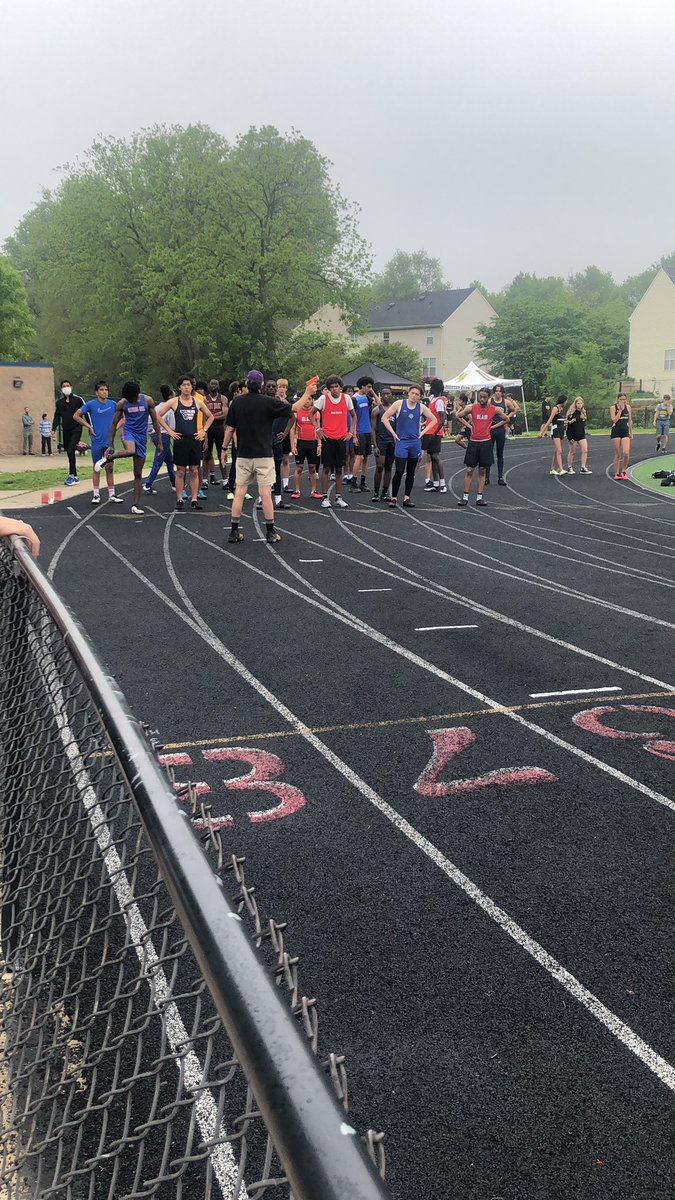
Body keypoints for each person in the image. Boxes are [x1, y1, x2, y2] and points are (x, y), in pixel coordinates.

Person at [223, 369, 306, 544]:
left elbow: (230, 429)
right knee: (266, 493)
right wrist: (308, 392)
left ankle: (234, 531)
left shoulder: (236, 403)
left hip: (244, 454)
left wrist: (224, 449)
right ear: (261, 385)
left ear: (246, 383)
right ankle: (270, 531)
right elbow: (295, 408)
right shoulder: (268, 402)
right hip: (264, 455)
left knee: (239, 491)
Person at [95, 382, 164, 515]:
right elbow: (114, 424)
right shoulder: (123, 403)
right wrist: (110, 445)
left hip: (141, 437)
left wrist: (159, 442)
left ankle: (135, 505)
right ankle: (109, 457)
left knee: (138, 475)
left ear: (138, 394)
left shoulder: (148, 400)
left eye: (132, 399)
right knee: (130, 450)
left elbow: (155, 421)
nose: (131, 401)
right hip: (128, 432)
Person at [155, 376, 214, 511]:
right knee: (181, 472)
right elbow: (158, 415)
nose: (186, 387)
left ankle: (194, 499)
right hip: (180, 440)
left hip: (194, 440)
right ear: (180, 387)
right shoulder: (174, 402)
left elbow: (210, 416)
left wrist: (203, 431)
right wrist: (169, 431)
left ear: (192, 387)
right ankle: (180, 498)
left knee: (194, 470)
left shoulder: (198, 402)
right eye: (184, 385)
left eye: (189, 385)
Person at [381, 385, 436, 508]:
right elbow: (384, 418)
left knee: (411, 472)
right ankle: (394, 497)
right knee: (399, 470)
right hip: (402, 442)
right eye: (412, 393)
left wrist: (422, 432)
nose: (414, 396)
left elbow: (434, 420)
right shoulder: (399, 404)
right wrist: (393, 433)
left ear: (420, 396)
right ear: (408, 393)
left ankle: (407, 497)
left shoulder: (421, 407)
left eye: (417, 394)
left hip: (415, 443)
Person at [455, 387, 510, 507]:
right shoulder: (473, 408)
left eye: (485, 397)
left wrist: (493, 427)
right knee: (469, 470)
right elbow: (459, 415)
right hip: (474, 442)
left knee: (482, 470)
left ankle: (479, 497)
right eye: (480, 397)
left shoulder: (493, 409)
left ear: (488, 397)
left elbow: (507, 419)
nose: (482, 399)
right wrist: (469, 426)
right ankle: (465, 496)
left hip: (486, 442)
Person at [74, 381, 125, 505]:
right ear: (97, 392)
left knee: (110, 467)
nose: (104, 392)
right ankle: (96, 495)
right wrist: (89, 426)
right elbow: (76, 415)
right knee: (96, 468)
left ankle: (112, 494)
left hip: (109, 441)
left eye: (106, 390)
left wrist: (116, 428)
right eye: (102, 390)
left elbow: (124, 417)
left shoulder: (113, 404)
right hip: (97, 440)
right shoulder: (91, 404)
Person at [313, 375, 356, 509]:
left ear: (340, 387)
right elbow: (311, 414)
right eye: (331, 387)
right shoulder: (323, 399)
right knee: (326, 468)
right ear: (328, 389)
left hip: (341, 438)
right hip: (328, 438)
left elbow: (354, 416)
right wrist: (318, 429)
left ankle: (338, 497)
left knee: (339, 468)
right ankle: (325, 497)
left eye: (336, 386)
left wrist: (351, 432)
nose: (334, 390)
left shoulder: (347, 398)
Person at [290, 383, 323, 498]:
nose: (307, 401)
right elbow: (292, 429)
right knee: (299, 468)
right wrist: (293, 445)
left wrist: (319, 444)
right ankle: (297, 491)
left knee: (312, 467)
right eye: (306, 399)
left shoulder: (316, 413)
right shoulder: (297, 412)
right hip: (301, 442)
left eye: (310, 399)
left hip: (312, 442)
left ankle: (313, 491)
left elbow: (318, 429)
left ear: (312, 400)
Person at [143, 385, 177, 493]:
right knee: (158, 461)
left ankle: (174, 483)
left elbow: (149, 423)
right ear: (170, 396)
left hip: (157, 435)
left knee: (170, 461)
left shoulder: (157, 407)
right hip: (164, 437)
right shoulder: (170, 409)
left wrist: (152, 435)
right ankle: (148, 484)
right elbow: (172, 427)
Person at [485, 383, 519, 485]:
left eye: (500, 391)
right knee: (488, 453)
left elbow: (514, 409)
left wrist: (507, 417)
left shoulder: (506, 402)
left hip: (500, 429)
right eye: (496, 391)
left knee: (500, 453)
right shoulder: (490, 401)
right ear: (494, 392)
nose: (498, 393)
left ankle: (500, 477)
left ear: (502, 392)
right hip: (491, 428)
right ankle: (486, 477)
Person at [53, 380, 85, 485]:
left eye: (67, 385)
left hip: (76, 428)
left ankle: (71, 475)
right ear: (61, 389)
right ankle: (75, 475)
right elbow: (57, 416)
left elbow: (86, 413)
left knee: (71, 449)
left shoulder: (78, 400)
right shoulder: (59, 403)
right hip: (66, 429)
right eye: (64, 386)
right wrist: (53, 429)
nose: (66, 387)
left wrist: (90, 427)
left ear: (71, 387)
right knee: (68, 450)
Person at [350, 376, 375, 493]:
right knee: (359, 457)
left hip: (367, 431)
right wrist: (354, 435)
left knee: (365, 458)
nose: (370, 389)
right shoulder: (354, 399)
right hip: (359, 431)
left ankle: (363, 483)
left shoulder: (368, 398)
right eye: (369, 387)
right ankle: (353, 483)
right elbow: (352, 418)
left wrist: (373, 393)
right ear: (362, 386)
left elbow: (380, 406)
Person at [422, 378, 448, 494]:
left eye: (431, 387)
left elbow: (442, 420)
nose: (430, 388)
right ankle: (436, 483)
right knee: (432, 457)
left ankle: (442, 484)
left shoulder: (439, 402)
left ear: (435, 388)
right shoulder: (433, 399)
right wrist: (428, 381)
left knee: (436, 457)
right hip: (429, 431)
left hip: (434, 433)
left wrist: (435, 432)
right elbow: (427, 395)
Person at [371, 387, 396, 501]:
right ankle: (376, 492)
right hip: (381, 441)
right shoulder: (376, 410)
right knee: (379, 466)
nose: (386, 396)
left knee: (389, 467)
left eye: (388, 394)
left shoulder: (395, 410)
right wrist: (375, 445)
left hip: (392, 441)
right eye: (384, 394)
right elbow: (373, 429)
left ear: (391, 395)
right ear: (381, 395)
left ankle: (385, 492)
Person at [203, 378, 228, 485]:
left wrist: (211, 416)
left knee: (221, 453)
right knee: (206, 453)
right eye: (212, 384)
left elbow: (225, 414)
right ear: (209, 385)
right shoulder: (204, 399)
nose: (213, 385)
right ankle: (204, 480)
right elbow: (203, 416)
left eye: (216, 384)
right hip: (208, 429)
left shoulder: (223, 398)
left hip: (219, 428)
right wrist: (212, 417)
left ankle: (225, 479)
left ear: (218, 386)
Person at [539, 394, 568, 475]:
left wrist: (567, 422)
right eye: (566, 401)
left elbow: (562, 420)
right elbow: (549, 421)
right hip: (555, 431)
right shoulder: (555, 409)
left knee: (557, 451)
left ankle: (552, 468)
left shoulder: (562, 409)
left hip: (561, 430)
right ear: (563, 401)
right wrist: (542, 432)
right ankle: (561, 469)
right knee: (559, 451)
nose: (566, 402)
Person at [565, 396, 592, 474]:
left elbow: (582, 423)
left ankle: (583, 467)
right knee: (572, 452)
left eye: (581, 403)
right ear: (575, 404)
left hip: (581, 434)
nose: (580, 405)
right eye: (578, 403)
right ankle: (569, 467)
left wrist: (584, 418)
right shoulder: (571, 413)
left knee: (585, 450)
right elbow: (567, 425)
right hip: (573, 435)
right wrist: (569, 437)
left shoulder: (583, 412)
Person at [610, 392, 633, 480]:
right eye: (621, 399)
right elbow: (614, 420)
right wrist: (620, 410)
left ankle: (624, 471)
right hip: (616, 431)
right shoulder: (613, 407)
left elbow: (630, 420)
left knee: (626, 452)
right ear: (617, 399)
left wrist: (631, 433)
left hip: (625, 431)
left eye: (624, 399)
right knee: (618, 454)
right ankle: (617, 473)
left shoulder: (628, 407)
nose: (623, 401)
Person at [276, 379, 293, 491]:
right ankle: (274, 483)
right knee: (274, 460)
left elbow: (293, 418)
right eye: (280, 387)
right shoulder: (273, 400)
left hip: (285, 433)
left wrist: (287, 433)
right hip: (274, 432)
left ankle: (286, 484)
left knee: (285, 459)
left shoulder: (290, 401)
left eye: (284, 387)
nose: (282, 389)